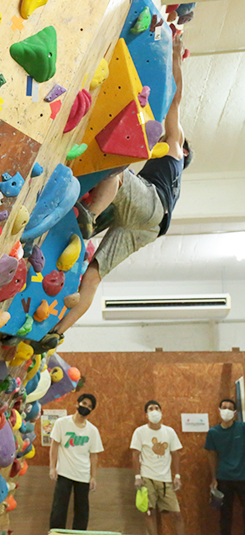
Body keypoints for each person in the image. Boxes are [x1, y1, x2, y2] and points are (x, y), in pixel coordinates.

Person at [32, 33, 192, 352]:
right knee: (94, 274)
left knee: (116, 166)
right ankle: (56, 333)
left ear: (184, 152)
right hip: (150, 228)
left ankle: (89, 217)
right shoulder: (168, 176)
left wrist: (175, 57)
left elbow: (175, 102)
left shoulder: (175, 151)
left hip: (152, 207)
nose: (166, 136)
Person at [49, 393, 104, 530]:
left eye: (89, 406)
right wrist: (52, 467)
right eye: (84, 403)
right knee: (59, 508)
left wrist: (93, 477)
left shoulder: (93, 431)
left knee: (82, 511)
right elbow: (54, 445)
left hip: (83, 475)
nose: (86, 407)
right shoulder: (62, 423)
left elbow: (94, 455)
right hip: (64, 473)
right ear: (77, 403)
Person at [130, 400, 185, 535]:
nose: (154, 411)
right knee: (149, 513)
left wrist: (177, 476)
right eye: (151, 409)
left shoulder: (169, 432)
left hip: (165, 479)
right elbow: (135, 454)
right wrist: (137, 477)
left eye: (157, 408)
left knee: (177, 514)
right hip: (147, 478)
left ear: (161, 412)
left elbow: (175, 454)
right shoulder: (140, 432)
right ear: (146, 414)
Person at [205, 398, 245, 535]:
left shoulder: (242, 428)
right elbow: (211, 456)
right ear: (219, 410)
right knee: (225, 514)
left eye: (230, 408)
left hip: (243, 478)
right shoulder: (213, 432)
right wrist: (214, 478)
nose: (226, 410)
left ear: (234, 413)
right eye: (224, 407)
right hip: (224, 479)